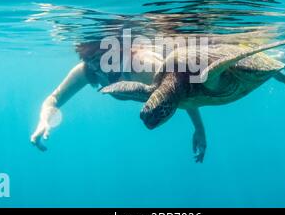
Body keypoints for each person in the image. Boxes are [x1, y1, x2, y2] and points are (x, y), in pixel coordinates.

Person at [31, 41, 207, 162]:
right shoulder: (90, 70)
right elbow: (53, 100)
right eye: (91, 60)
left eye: (102, 58)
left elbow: (179, 90)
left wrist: (199, 129)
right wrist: (44, 119)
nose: (99, 66)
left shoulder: (141, 65)